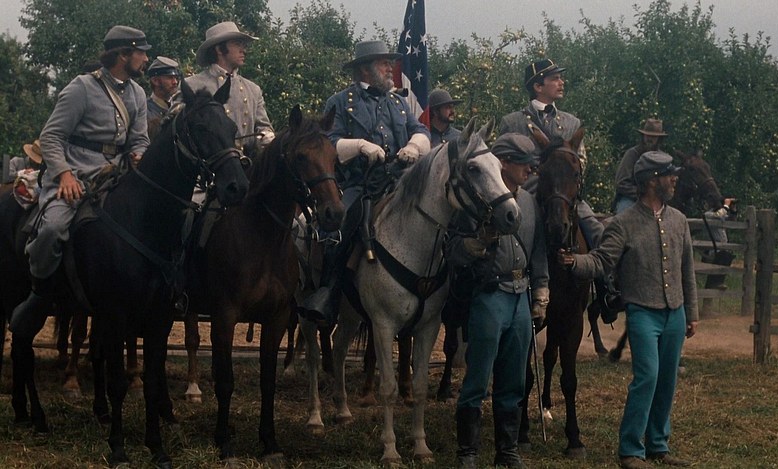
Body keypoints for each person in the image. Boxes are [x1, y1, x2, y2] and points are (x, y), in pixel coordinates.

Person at [558, 151, 698, 469]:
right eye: (669, 174)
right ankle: (630, 450)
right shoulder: (624, 223)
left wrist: (691, 313)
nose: (674, 179)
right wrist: (574, 262)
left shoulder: (679, 221)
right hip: (643, 312)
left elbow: (687, 269)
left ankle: (658, 446)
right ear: (651, 181)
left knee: (666, 380)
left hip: (675, 312)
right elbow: (601, 260)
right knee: (647, 376)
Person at [10, 25, 151, 338]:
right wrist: (63, 174)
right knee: (51, 230)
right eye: (141, 52)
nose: (146, 59)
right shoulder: (82, 88)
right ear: (123, 54)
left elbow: (139, 139)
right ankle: (39, 293)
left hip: (117, 176)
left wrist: (140, 155)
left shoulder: (138, 94)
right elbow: (51, 136)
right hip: (75, 175)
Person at [298, 40, 430, 326]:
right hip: (360, 183)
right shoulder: (339, 101)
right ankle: (328, 292)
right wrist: (359, 146)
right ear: (365, 69)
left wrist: (414, 146)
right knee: (341, 224)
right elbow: (327, 142)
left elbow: (420, 129)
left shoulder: (398, 103)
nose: (390, 68)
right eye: (384, 63)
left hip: (398, 182)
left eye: (390, 63)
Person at [448, 133, 548, 468]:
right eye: (522, 163)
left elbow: (538, 251)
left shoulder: (529, 202)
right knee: (478, 377)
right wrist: (476, 244)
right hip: (490, 294)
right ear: (503, 163)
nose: (529, 170)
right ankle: (468, 451)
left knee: (514, 379)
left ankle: (507, 450)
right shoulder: (477, 199)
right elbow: (454, 251)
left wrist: (542, 290)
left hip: (521, 296)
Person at [498, 59, 603, 247]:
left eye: (560, 78)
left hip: (563, 190)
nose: (561, 83)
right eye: (555, 79)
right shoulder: (512, 122)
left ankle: (605, 264)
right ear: (538, 86)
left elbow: (581, 161)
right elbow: (501, 162)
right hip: (527, 189)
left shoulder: (572, 123)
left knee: (596, 230)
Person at [185, 21, 274, 156]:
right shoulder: (192, 85)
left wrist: (265, 136)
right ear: (219, 49)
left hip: (246, 163)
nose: (243, 50)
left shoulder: (253, 90)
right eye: (237, 44)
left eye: (243, 45)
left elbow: (263, 126)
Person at [613, 118, 667, 213]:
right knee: (624, 215)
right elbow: (621, 183)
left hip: (655, 200)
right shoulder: (632, 154)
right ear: (643, 136)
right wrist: (642, 194)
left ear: (659, 139)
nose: (650, 139)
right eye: (647, 136)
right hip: (631, 199)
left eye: (653, 137)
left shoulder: (663, 158)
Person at [145, 56, 180, 139]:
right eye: (170, 78)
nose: (175, 82)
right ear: (155, 81)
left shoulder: (179, 108)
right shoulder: (144, 110)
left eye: (176, 78)